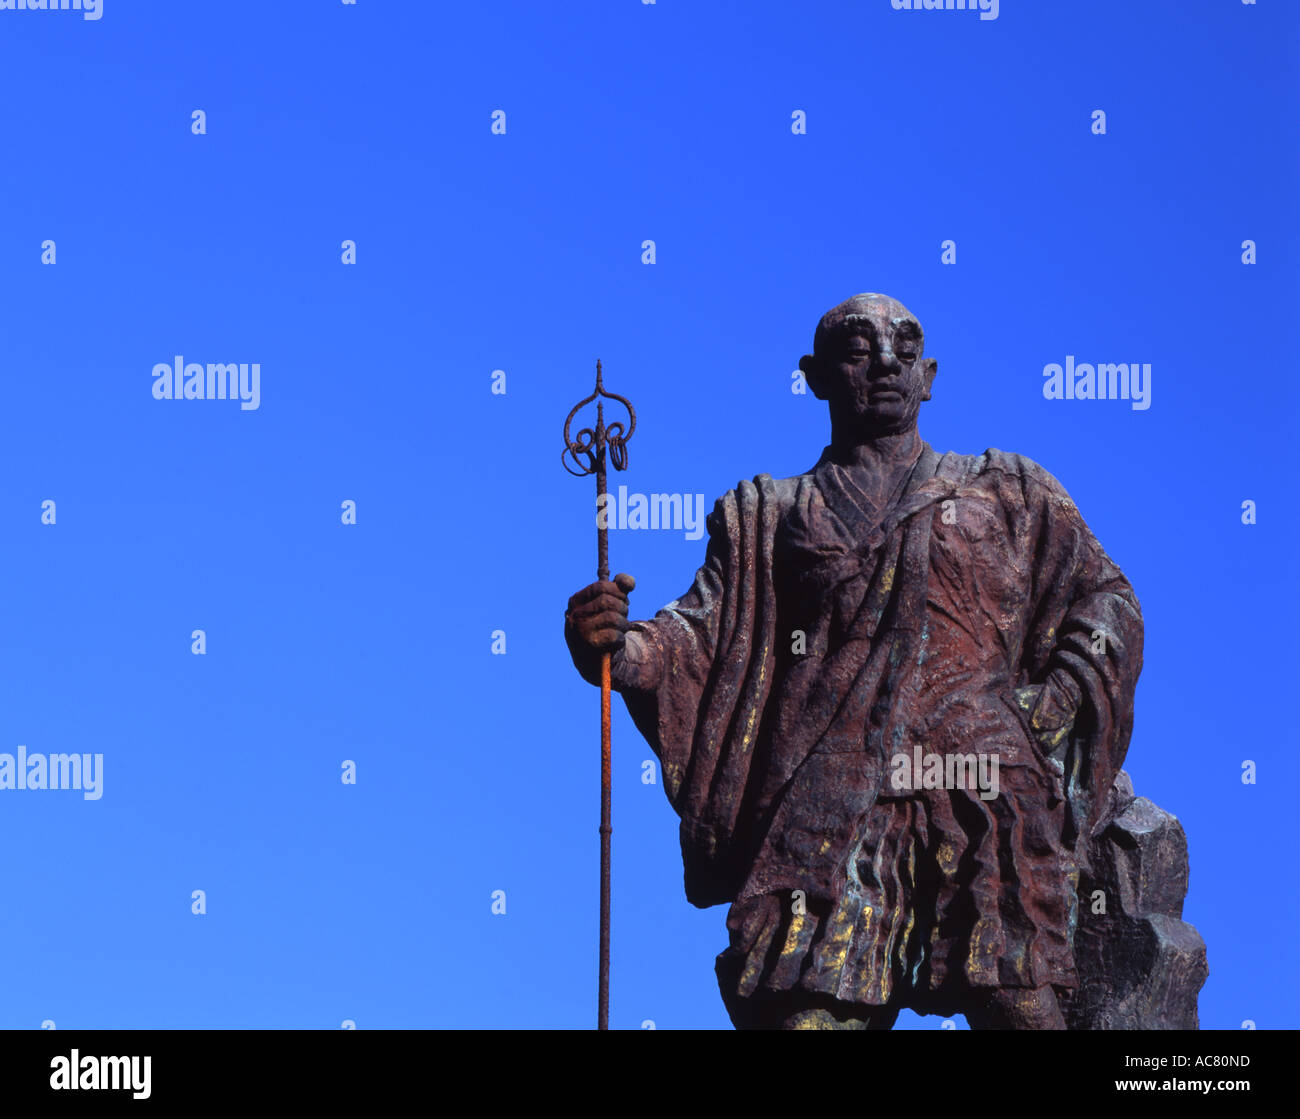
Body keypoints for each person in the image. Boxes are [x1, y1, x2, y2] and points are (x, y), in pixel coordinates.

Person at [565, 293, 1143, 1029]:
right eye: (860, 346)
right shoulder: (771, 513)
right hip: (831, 794)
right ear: (815, 375)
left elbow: (1105, 599)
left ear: (930, 375)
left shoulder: (1008, 491)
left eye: (906, 346)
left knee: (1016, 1000)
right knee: (808, 1014)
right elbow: (692, 640)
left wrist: (1054, 704)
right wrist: (616, 645)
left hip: (981, 783)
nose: (888, 361)